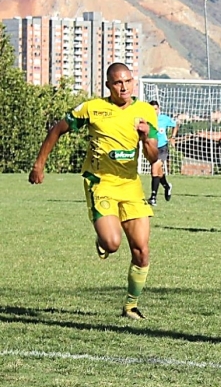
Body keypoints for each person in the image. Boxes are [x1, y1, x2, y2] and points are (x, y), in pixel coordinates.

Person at [28, 62, 159, 320]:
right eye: (118, 82)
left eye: (128, 81)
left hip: (131, 185)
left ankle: (131, 306)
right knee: (112, 243)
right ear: (108, 85)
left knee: (142, 251)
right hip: (101, 183)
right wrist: (39, 164)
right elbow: (57, 129)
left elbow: (153, 156)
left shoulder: (144, 112)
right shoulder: (93, 109)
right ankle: (103, 242)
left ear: (133, 83)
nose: (124, 87)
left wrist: (145, 137)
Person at [148, 100, 177, 206]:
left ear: (158, 109)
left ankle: (153, 197)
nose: (154, 111)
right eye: (151, 109)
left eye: (155, 109)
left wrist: (173, 137)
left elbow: (175, 125)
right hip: (151, 148)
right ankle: (166, 186)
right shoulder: (146, 120)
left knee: (154, 169)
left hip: (162, 148)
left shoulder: (164, 119)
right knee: (158, 172)